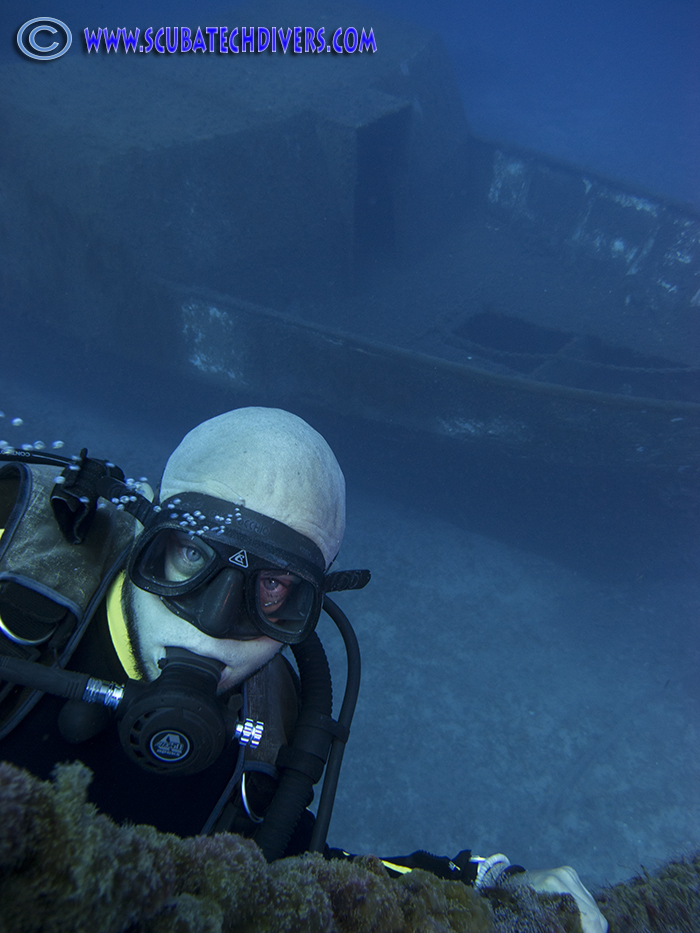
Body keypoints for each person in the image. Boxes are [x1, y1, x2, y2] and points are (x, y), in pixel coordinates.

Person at [0, 406, 607, 933]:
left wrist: (477, 885)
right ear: (148, 533)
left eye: (271, 585)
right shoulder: (17, 568)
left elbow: (304, 880)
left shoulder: (273, 728)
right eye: (190, 555)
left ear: (309, 604)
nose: (212, 623)